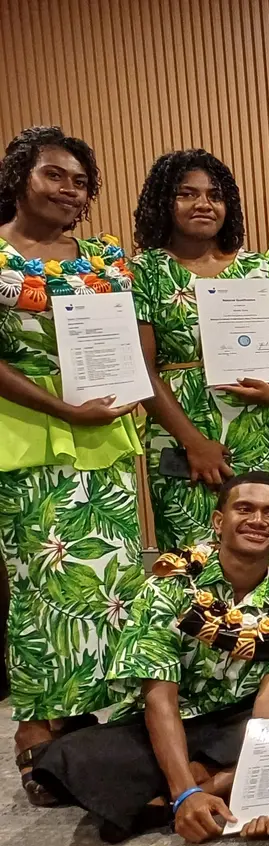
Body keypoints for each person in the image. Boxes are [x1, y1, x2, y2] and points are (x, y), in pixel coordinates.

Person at [28, 472, 269, 843]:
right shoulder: (169, 587)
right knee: (70, 754)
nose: (258, 521)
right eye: (245, 508)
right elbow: (159, 697)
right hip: (172, 722)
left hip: (240, 723)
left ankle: (208, 784)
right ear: (218, 520)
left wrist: (260, 792)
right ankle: (200, 783)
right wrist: (186, 793)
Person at [0, 126, 146, 803]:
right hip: (31, 436)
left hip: (105, 438)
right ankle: (37, 726)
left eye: (80, 181)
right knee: (41, 591)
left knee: (109, 588)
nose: (69, 190)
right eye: (55, 175)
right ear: (20, 176)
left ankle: (98, 727)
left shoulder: (106, 259)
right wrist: (60, 406)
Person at [130, 149, 269, 567]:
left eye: (215, 195)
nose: (204, 204)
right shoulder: (143, 273)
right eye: (187, 194)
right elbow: (140, 366)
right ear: (163, 203)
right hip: (185, 436)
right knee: (196, 560)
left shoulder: (262, 268)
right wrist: (194, 444)